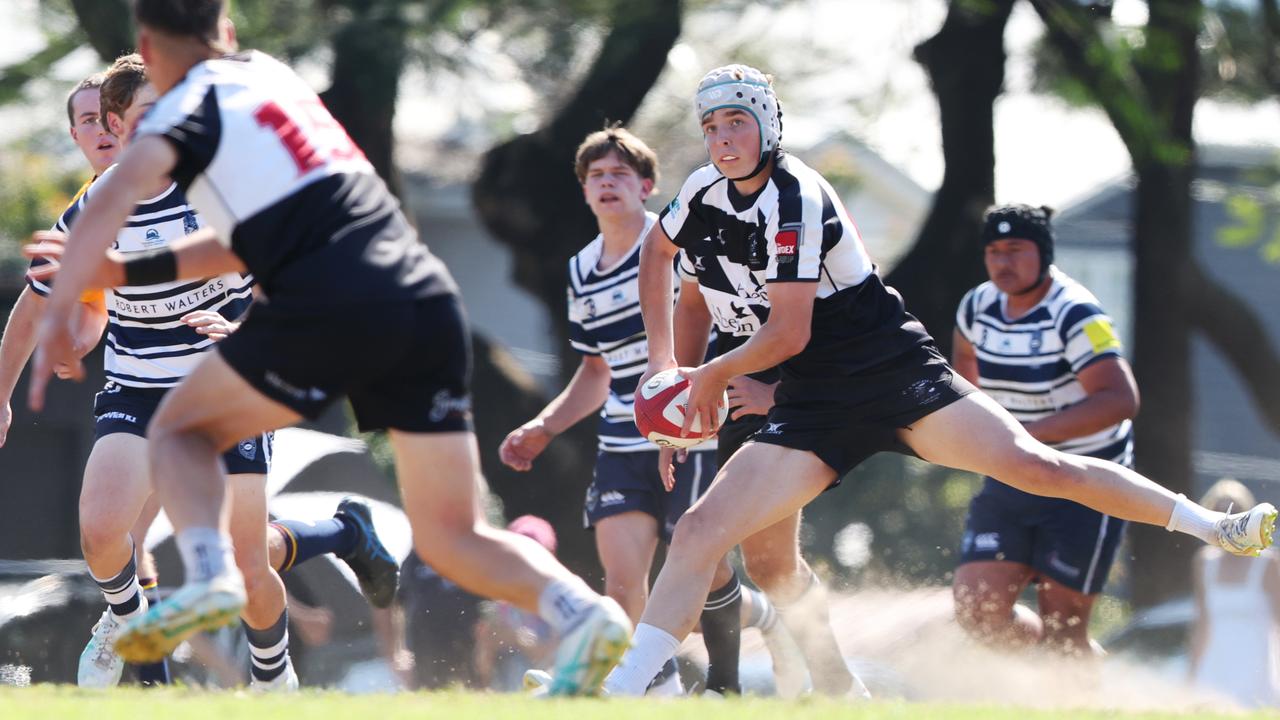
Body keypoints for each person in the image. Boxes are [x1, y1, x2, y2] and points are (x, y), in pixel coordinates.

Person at [599, 63, 1276, 696]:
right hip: (809, 403)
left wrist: (703, 379)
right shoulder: (701, 195)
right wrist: (668, 372)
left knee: (1041, 467)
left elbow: (789, 334)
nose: (722, 139)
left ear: (769, 124)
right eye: (711, 127)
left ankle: (1216, 525)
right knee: (704, 536)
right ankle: (630, 688)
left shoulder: (796, 194)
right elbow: (661, 253)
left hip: (892, 375)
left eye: (737, 122)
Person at [26, 0, 628, 697]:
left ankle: (215, 576)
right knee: (452, 536)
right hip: (422, 297)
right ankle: (584, 612)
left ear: (146, 48)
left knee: (180, 429)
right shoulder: (273, 79)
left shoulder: (182, 104)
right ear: (225, 31)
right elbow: (249, 235)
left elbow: (120, 193)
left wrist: (85, 278)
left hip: (331, 294)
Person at [23, 54, 396, 691]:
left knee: (238, 561)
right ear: (98, 129)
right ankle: (135, 645)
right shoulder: (92, 208)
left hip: (221, 386)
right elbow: (71, 307)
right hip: (140, 389)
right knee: (107, 535)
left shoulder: (222, 185)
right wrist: (63, 344)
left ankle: (269, 672)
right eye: (108, 120)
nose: (125, 131)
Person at [499, 125, 789, 695]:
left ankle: (759, 624)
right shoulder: (581, 269)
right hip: (620, 440)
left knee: (701, 567)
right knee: (625, 579)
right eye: (596, 176)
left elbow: (724, 318)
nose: (607, 184)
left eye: (619, 174)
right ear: (584, 191)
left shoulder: (674, 245)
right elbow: (595, 371)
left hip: (696, 432)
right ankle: (655, 688)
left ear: (647, 186)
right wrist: (544, 426)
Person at [667, 225, 856, 696]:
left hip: (795, 406)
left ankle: (721, 686)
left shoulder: (795, 225)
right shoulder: (699, 233)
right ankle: (747, 682)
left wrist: (777, 394)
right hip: (735, 398)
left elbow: (836, 330)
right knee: (766, 565)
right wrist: (679, 409)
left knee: (713, 542)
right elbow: (691, 309)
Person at [951, 204, 1137, 657]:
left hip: (1086, 482)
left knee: (1065, 626)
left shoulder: (1076, 313)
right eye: (993, 251)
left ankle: (1074, 672)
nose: (1002, 262)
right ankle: (1048, 666)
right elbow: (963, 376)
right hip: (1012, 473)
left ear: (1044, 253)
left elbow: (1120, 400)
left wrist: (1030, 433)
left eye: (1015, 250)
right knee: (977, 607)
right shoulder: (977, 306)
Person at [1190, 479, 1280, 708]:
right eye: (1220, 513)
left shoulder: (1267, 563)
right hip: (1216, 665)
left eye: (1236, 513)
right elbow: (1202, 622)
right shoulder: (1203, 563)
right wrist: (1192, 671)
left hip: (1256, 665)